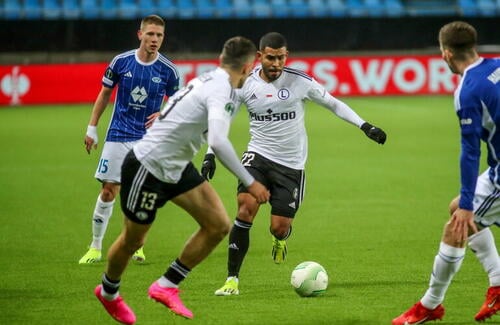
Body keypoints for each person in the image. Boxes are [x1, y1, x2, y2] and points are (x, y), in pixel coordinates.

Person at [93, 36, 270, 324]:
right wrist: (250, 181)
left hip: (176, 166)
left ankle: (166, 286)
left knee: (217, 225)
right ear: (249, 66)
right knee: (133, 240)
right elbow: (217, 140)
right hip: (147, 166)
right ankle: (109, 292)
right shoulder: (221, 89)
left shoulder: (212, 79)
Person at [200, 32, 387, 296]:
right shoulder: (245, 84)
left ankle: (280, 239)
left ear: (286, 56)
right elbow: (224, 120)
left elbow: (333, 103)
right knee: (245, 209)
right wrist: (210, 153)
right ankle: (232, 280)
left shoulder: (300, 82)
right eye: (270, 58)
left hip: (291, 165)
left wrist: (364, 125)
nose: (275, 63)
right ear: (259, 56)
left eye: (280, 57)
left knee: (279, 226)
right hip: (258, 156)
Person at [392, 21, 500, 325]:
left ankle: (430, 305)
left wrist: (468, 204)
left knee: (458, 222)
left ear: (446, 53)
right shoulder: (497, 66)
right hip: (495, 170)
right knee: (458, 210)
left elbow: (470, 151)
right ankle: (497, 282)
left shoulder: (468, 90)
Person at [79, 15, 180, 265]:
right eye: (151, 34)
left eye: (159, 35)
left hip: (149, 141)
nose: (155, 39)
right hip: (118, 135)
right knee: (108, 191)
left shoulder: (168, 71)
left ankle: (136, 244)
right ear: (140, 35)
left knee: (142, 195)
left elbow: (180, 104)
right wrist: (92, 127)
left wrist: (163, 114)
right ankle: (95, 245)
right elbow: (104, 94)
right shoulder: (121, 62)